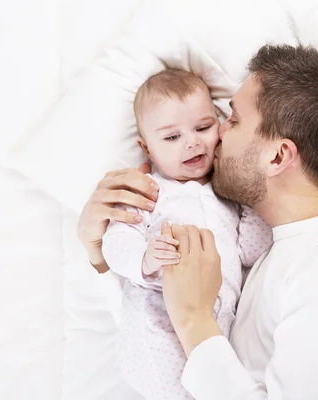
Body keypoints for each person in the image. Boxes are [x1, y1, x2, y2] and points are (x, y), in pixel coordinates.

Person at [78, 44, 318, 399]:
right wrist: (99, 255)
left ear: (277, 156)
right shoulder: (282, 249)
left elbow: (194, 332)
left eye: (232, 120)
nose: (215, 136)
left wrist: (194, 319)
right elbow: (166, 352)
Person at [100, 68, 272, 400]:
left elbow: (251, 252)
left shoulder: (227, 194)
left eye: (203, 128)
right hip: (156, 322)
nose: (192, 141)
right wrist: (145, 257)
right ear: (147, 149)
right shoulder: (149, 191)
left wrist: (251, 199)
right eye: (171, 137)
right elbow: (115, 242)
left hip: (217, 329)